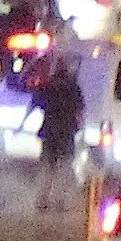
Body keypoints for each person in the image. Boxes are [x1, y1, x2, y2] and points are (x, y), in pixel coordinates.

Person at [33, 64, 88, 208]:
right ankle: (59, 200)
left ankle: (42, 199)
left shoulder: (48, 86)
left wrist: (21, 125)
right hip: (66, 131)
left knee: (48, 166)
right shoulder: (73, 87)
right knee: (64, 166)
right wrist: (80, 127)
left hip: (49, 131)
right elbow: (80, 109)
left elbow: (35, 104)